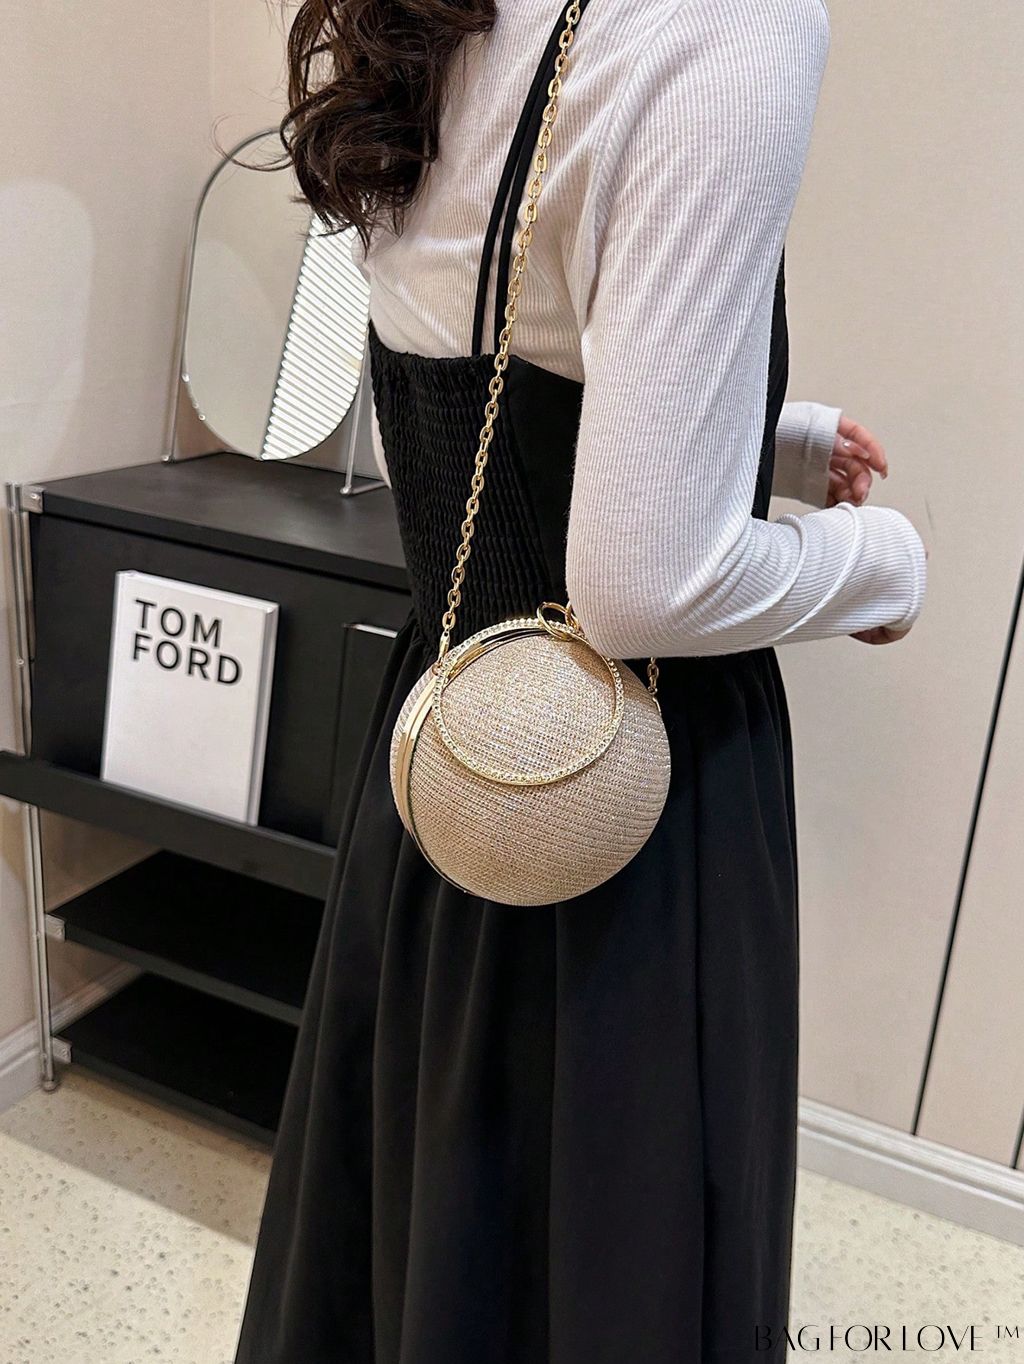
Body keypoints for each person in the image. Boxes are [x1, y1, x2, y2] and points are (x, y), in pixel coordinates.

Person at [234, 0, 928, 1359]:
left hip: (455, 738)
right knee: (610, 1252)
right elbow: (644, 588)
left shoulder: (444, 13)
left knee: (429, 1223)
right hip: (628, 789)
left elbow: (490, 352)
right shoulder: (731, 24)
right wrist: (881, 567)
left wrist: (757, 440)